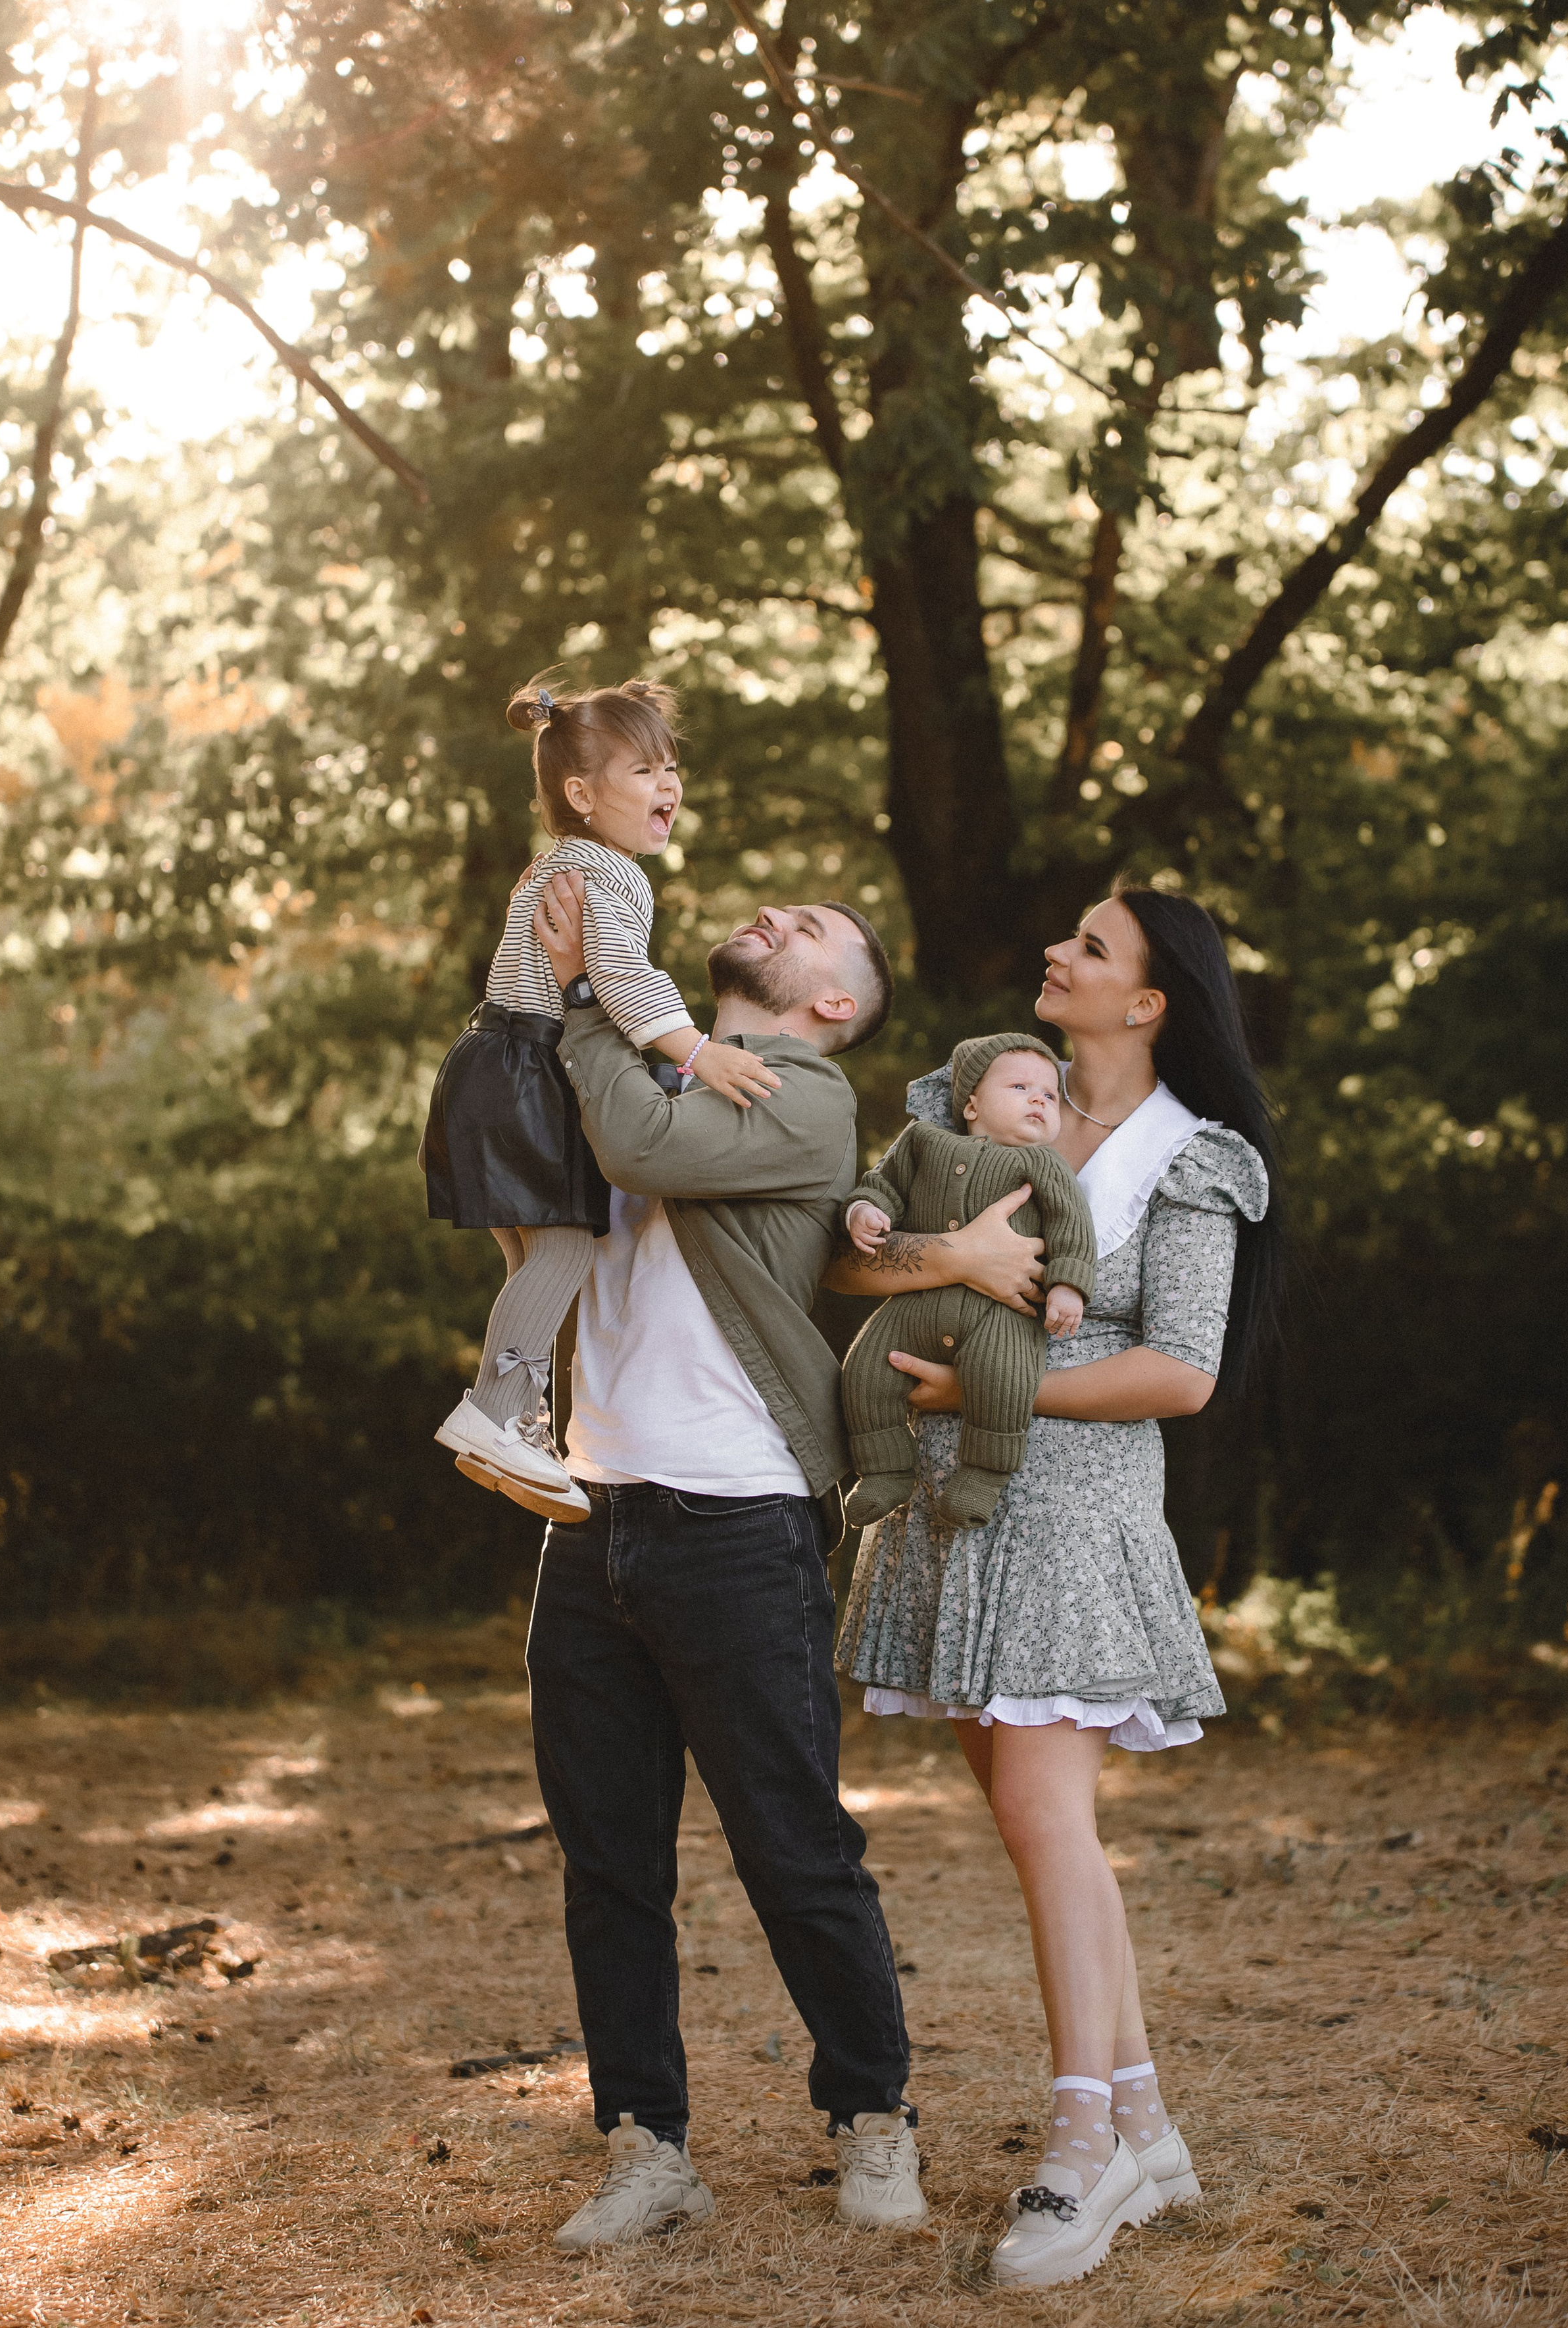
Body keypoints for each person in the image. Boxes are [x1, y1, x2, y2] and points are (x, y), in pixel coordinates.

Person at [829, 885, 1285, 2291]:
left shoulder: (1187, 1162)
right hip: (944, 1512)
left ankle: (1080, 2148)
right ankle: (1143, 2121)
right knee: (1045, 1833)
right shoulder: (974, 1108)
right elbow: (856, 1262)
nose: (1057, 954)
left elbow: (1186, 1372)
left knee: (1044, 1824)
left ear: (1147, 1005)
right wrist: (938, 1267)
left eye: (1091, 948)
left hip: (1075, 1525)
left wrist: (995, 1379)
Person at [516, 868, 929, 2251]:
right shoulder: (660, 1054)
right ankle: (647, 2145)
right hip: (591, 1509)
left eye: (809, 927)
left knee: (791, 1846)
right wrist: (568, 990)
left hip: (736, 1521)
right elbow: (532, 1154)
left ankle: (872, 2115)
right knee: (609, 1862)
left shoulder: (805, 1097)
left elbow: (634, 1148)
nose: (772, 911)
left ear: (828, 1001)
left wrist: (586, 999)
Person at [420, 678, 777, 1523]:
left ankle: (520, 1421)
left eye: (671, 768)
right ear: (581, 795)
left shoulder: (560, 864)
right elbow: (616, 974)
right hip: (527, 1070)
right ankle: (491, 1413)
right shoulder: (603, 868)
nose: (669, 786)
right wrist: (695, 1052)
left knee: (531, 1258)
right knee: (565, 1253)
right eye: (646, 770)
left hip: (496, 1064)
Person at [839, 1035, 1095, 1529]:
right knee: (865, 1367)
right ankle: (885, 1467)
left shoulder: (1046, 1164)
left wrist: (1069, 1286)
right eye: (1020, 1086)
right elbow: (883, 1183)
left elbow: (1072, 1227)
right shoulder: (922, 1141)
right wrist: (864, 1210)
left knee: (1004, 1378)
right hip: (919, 1298)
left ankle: (983, 1474)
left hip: (1000, 1314)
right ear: (972, 1103)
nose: (1039, 1098)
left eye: (1050, 1094)